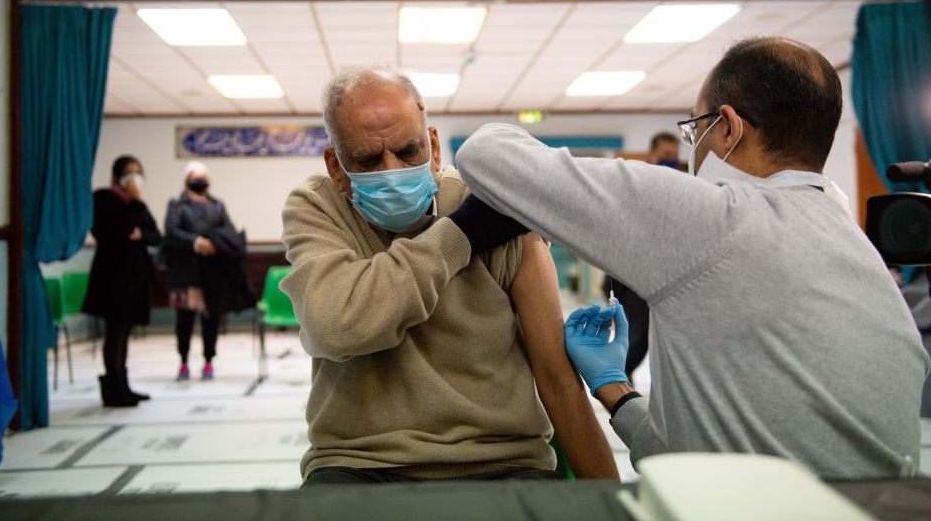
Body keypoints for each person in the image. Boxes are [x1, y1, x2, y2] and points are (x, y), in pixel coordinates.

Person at [455, 37, 931, 479]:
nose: (693, 148)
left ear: (727, 128)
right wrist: (615, 390)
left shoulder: (714, 217)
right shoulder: (864, 251)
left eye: (695, 130)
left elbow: (486, 155)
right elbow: (692, 462)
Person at [280, 66, 616, 486]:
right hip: (359, 463)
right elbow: (337, 326)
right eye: (367, 160)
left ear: (435, 147)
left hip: (503, 460)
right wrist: (460, 235)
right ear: (335, 165)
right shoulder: (319, 208)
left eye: (408, 151)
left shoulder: (493, 206)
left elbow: (558, 381)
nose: (392, 171)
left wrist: (610, 501)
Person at [602, 131, 682, 379]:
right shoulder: (635, 184)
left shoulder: (678, 190)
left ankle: (623, 377)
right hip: (631, 275)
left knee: (648, 335)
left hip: (661, 275)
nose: (671, 160)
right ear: (653, 155)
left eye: (674, 156)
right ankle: (618, 377)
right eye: (666, 155)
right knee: (638, 333)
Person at [83, 155, 161, 408]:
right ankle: (113, 389)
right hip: (112, 279)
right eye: (129, 172)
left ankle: (124, 385)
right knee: (114, 333)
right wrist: (134, 213)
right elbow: (114, 231)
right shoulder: (104, 198)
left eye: (138, 172)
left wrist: (138, 230)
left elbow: (155, 235)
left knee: (125, 332)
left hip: (135, 279)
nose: (134, 177)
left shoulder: (137, 203)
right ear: (117, 176)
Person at [164, 161, 248, 381]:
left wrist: (213, 243)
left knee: (211, 321)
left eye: (203, 175)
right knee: (184, 321)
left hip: (212, 274)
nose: (200, 179)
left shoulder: (217, 205)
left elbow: (228, 231)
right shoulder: (177, 205)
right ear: (187, 179)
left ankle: (208, 361)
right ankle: (183, 362)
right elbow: (171, 231)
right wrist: (196, 242)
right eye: (195, 175)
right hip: (185, 274)